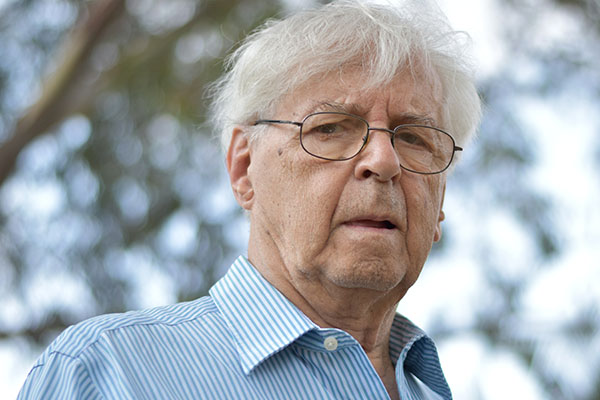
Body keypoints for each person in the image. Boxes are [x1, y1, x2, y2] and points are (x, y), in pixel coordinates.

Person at [18, 0, 480, 398]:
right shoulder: (107, 373)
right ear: (244, 168)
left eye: (415, 138)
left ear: (440, 201)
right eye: (330, 128)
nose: (383, 160)